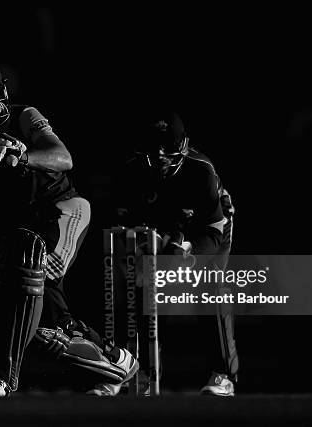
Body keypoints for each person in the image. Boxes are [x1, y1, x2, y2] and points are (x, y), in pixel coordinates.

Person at [0, 59, 138, 397]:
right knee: (48, 327)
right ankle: (116, 360)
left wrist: (24, 154)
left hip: (64, 211)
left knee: (32, 278)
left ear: (1, 92)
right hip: (23, 228)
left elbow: (64, 158)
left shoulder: (24, 116)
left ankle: (2, 375)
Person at [115, 109, 239, 396]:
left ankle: (223, 376)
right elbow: (122, 221)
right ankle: (143, 373)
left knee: (210, 289)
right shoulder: (133, 169)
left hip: (209, 228)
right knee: (147, 288)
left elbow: (214, 230)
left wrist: (188, 250)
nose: (159, 155)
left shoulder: (201, 171)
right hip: (159, 227)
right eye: (154, 146)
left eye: (167, 146)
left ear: (182, 144)